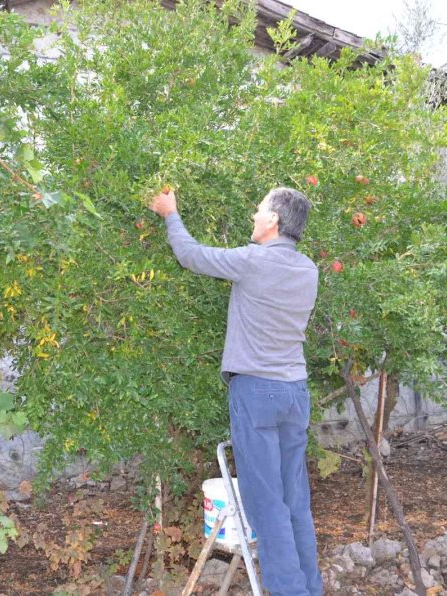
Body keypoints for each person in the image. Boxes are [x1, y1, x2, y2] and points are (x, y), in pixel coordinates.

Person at [149, 186, 322, 596]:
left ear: (274, 220)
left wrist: (170, 213)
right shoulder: (309, 269)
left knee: (267, 507)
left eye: (259, 209)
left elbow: (191, 255)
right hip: (295, 393)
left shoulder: (253, 261)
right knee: (295, 501)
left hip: (257, 394)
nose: (253, 215)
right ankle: (309, 589)